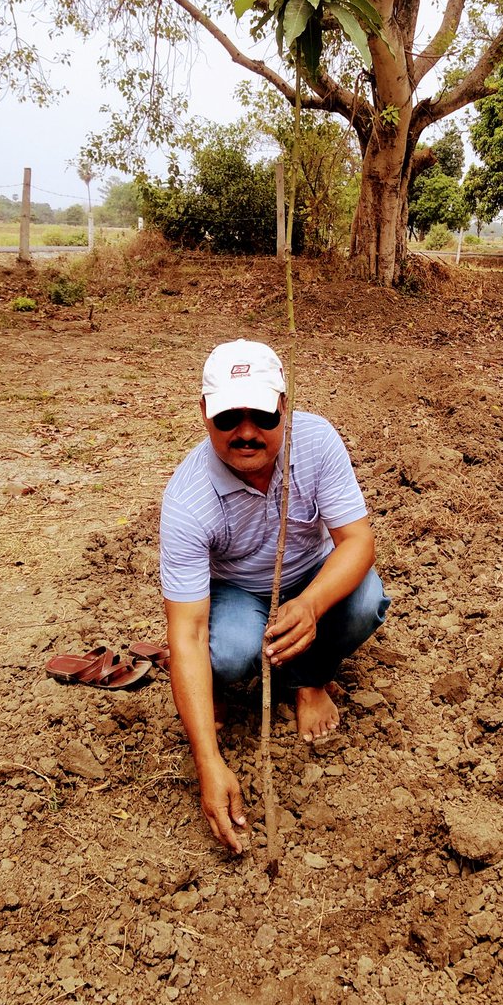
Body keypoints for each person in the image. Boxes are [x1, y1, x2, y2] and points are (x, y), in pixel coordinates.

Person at [160, 339, 390, 852]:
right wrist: (208, 760)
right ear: (203, 414)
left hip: (309, 577)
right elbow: (188, 631)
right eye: (227, 418)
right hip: (238, 593)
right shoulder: (187, 499)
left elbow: (358, 542)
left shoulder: (317, 441)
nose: (246, 432)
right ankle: (221, 682)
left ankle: (309, 679)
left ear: (285, 405)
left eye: (262, 414)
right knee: (230, 652)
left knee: (364, 599)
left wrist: (309, 605)